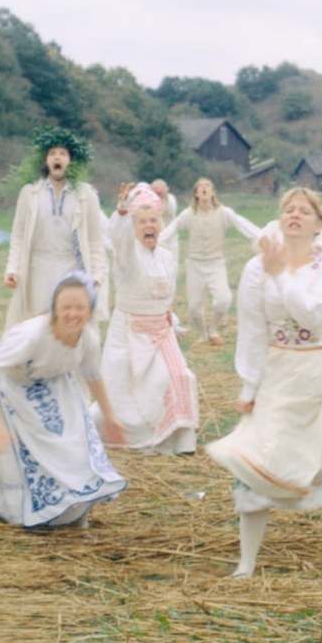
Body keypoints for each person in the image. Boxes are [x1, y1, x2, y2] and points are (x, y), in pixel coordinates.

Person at [206, 188, 322, 579]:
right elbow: (253, 327)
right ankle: (247, 561)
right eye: (288, 209)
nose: (294, 215)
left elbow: (312, 315)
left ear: (318, 224)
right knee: (257, 454)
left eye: (304, 211)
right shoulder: (258, 267)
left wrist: (281, 276)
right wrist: (249, 386)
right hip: (279, 369)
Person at [0, 272, 127, 527]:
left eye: (80, 307)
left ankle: (74, 507)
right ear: (54, 309)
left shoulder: (89, 337)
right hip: (16, 389)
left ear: (90, 310)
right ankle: (40, 509)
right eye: (66, 307)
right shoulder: (31, 335)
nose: (73, 314)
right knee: (21, 458)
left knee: (76, 447)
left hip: (59, 389)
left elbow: (92, 374)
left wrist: (110, 416)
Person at [100, 184, 199, 454]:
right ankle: (131, 435)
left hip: (161, 334)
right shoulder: (127, 255)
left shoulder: (166, 256)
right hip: (128, 334)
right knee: (124, 390)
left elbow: (165, 296)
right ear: (134, 226)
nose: (148, 225)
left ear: (160, 224)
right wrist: (121, 212)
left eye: (153, 220)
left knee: (181, 376)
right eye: (142, 221)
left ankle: (180, 441)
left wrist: (171, 319)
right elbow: (118, 240)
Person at [3, 128, 109, 329]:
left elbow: (95, 240)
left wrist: (96, 277)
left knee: (68, 326)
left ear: (71, 161)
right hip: (37, 269)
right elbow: (18, 235)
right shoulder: (29, 193)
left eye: (62, 154)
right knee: (37, 326)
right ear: (45, 161)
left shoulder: (86, 195)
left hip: (71, 269)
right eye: (52, 153)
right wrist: (12, 268)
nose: (57, 157)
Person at [164, 177, 262, 345]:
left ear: (212, 192)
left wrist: (262, 235)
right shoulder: (188, 214)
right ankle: (202, 334)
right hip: (195, 265)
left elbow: (242, 224)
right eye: (200, 187)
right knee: (194, 308)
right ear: (196, 193)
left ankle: (213, 329)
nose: (204, 188)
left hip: (216, 263)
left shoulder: (224, 212)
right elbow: (171, 229)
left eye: (207, 186)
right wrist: (154, 242)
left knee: (224, 300)